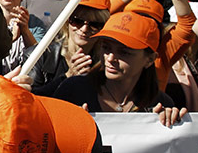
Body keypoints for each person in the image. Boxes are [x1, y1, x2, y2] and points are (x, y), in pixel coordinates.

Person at [54, 11, 186, 127]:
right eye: (106, 48)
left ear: (150, 59)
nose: (110, 58)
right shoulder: (73, 89)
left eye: (124, 52)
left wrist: (172, 122)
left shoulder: (160, 103)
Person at [27, 0, 110, 96]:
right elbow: (30, 99)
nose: (84, 29)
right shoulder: (39, 55)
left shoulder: (108, 61)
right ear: (67, 21)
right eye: (77, 21)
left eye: (95, 24)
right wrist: (67, 76)